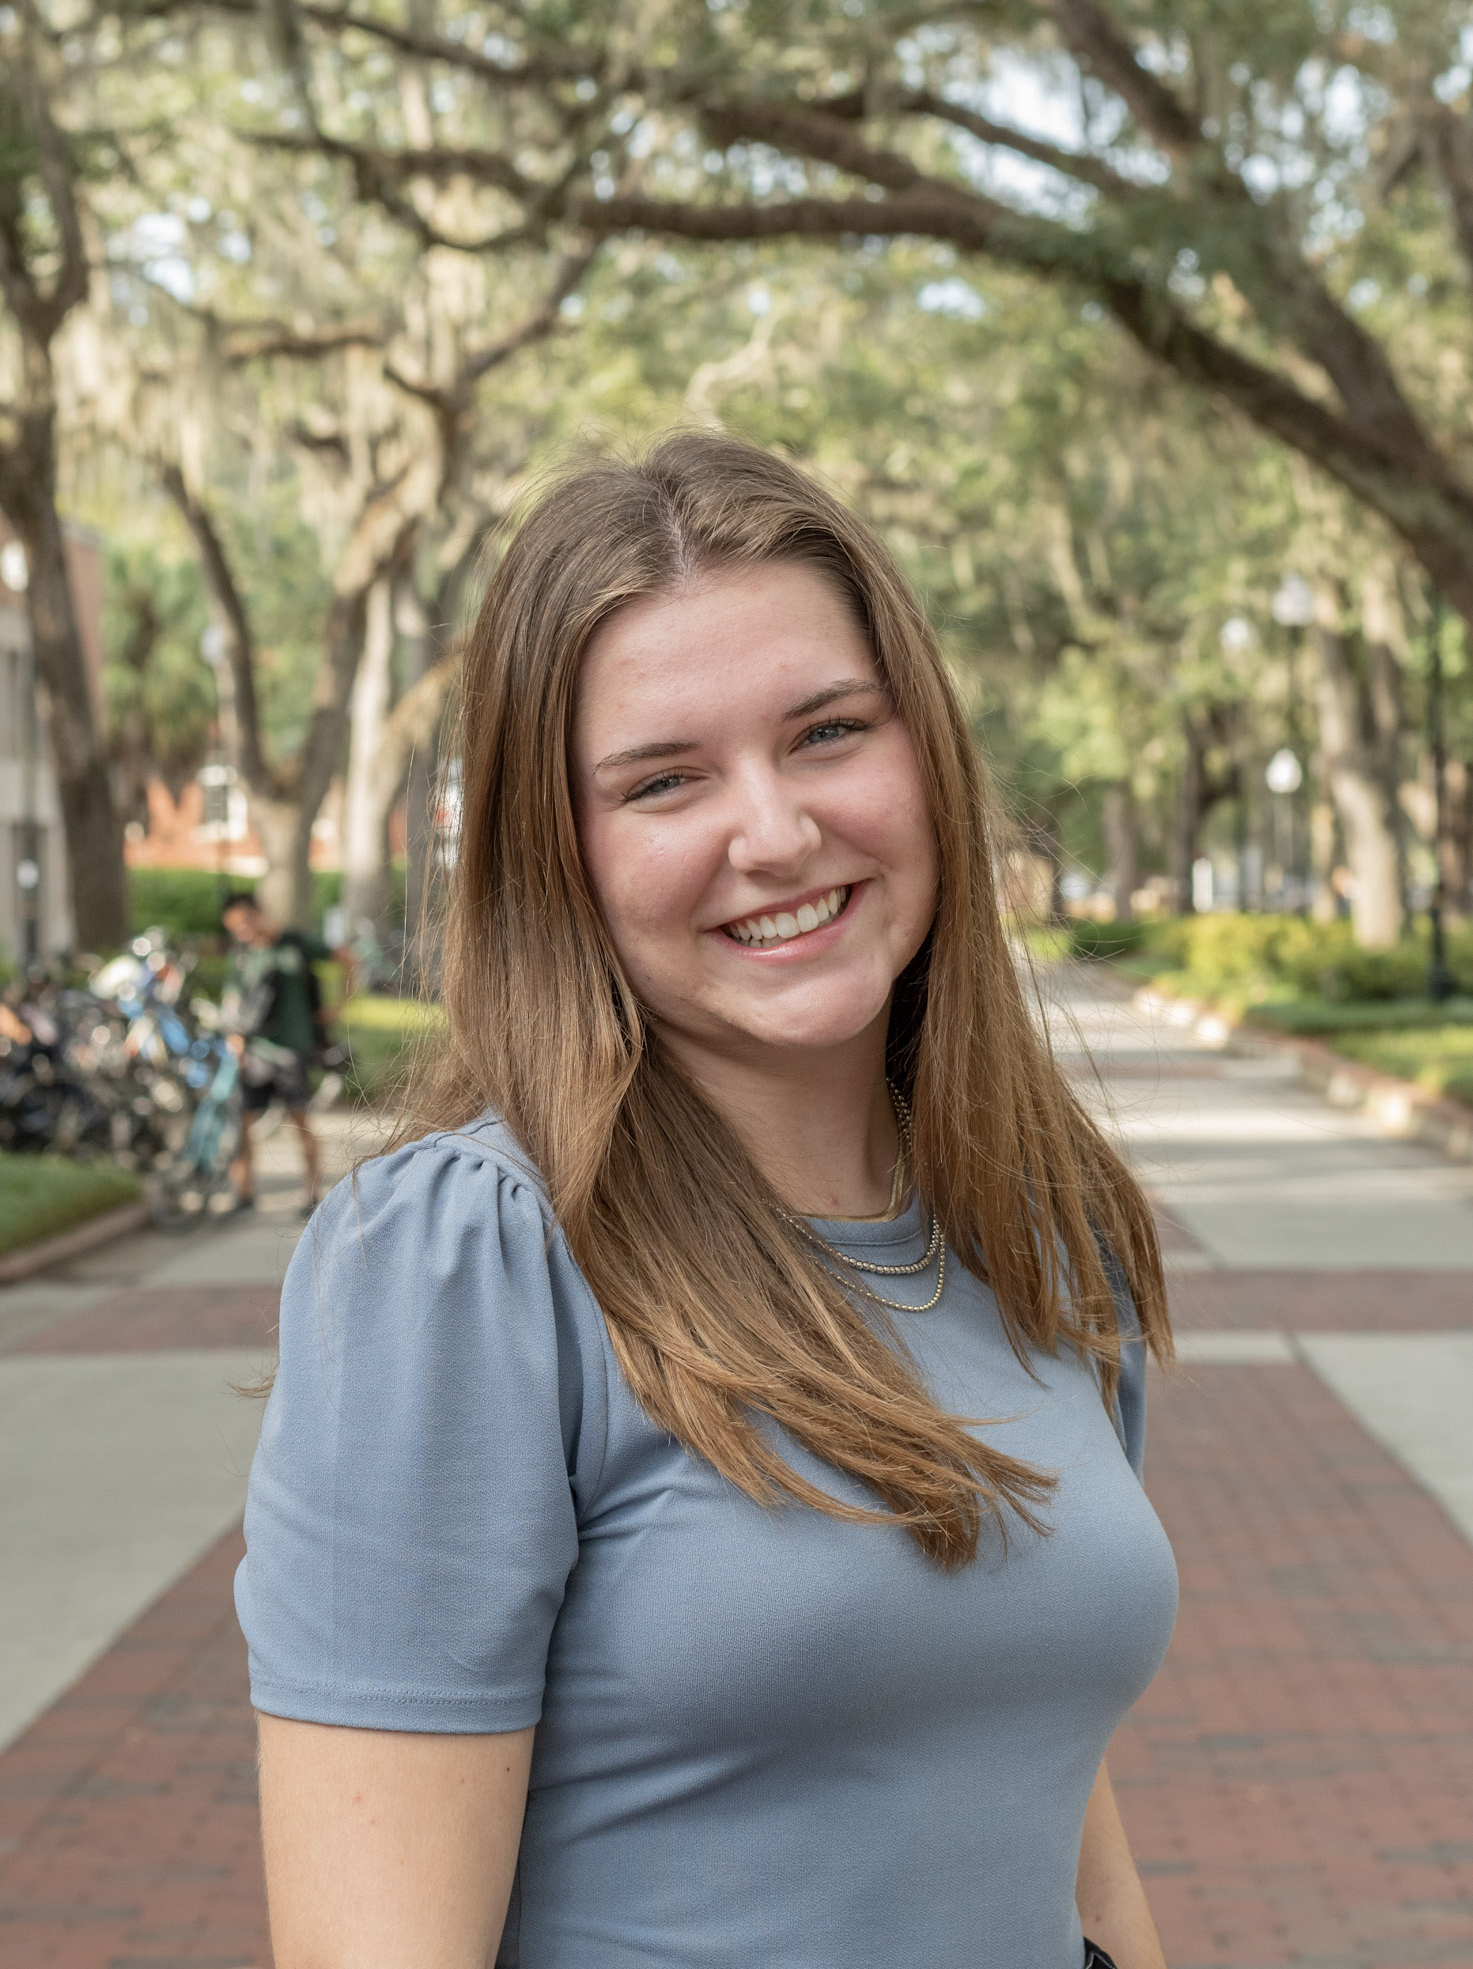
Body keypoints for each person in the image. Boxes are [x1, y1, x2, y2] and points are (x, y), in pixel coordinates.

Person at [236, 434, 1178, 1969]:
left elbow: (1062, 1836)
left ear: (925, 750)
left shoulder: (1032, 1229)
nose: (776, 832)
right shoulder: (470, 1262)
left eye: (826, 732)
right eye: (665, 780)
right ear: (564, 855)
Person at [219, 892, 351, 1215]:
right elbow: (232, 1003)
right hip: (256, 1052)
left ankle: (312, 1193)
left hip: (292, 1052)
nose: (243, 932)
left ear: (260, 913)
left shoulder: (294, 944)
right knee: (243, 1121)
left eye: (246, 923)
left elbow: (348, 959)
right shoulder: (241, 956)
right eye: (235, 928)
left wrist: (340, 1005)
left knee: (300, 1121)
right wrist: (234, 1041)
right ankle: (244, 1192)